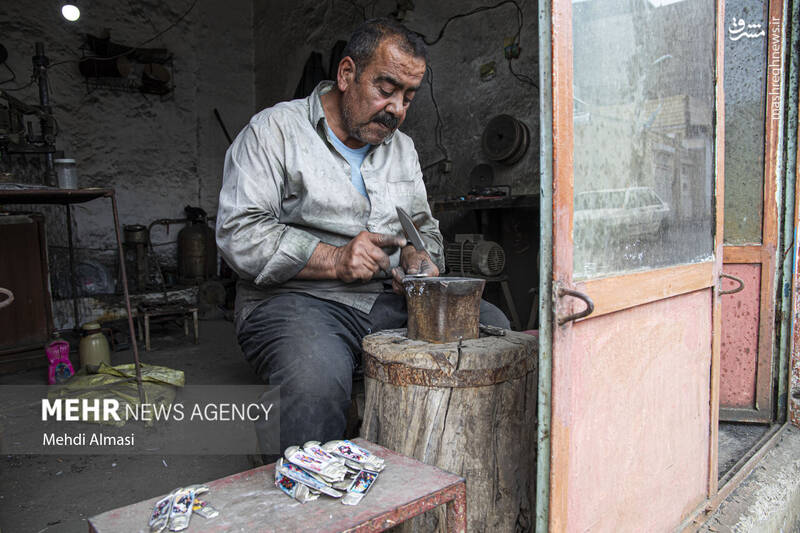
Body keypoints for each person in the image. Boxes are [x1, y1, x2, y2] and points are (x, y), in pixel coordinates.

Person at [216, 18, 509, 455]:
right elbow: (238, 234)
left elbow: (424, 228)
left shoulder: (402, 148)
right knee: (315, 382)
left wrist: (417, 257)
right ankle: (300, 491)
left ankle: (435, 464)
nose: (397, 109)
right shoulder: (273, 131)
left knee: (493, 331)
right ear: (347, 74)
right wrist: (334, 259)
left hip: (381, 300)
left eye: (407, 97)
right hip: (292, 301)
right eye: (386, 89)